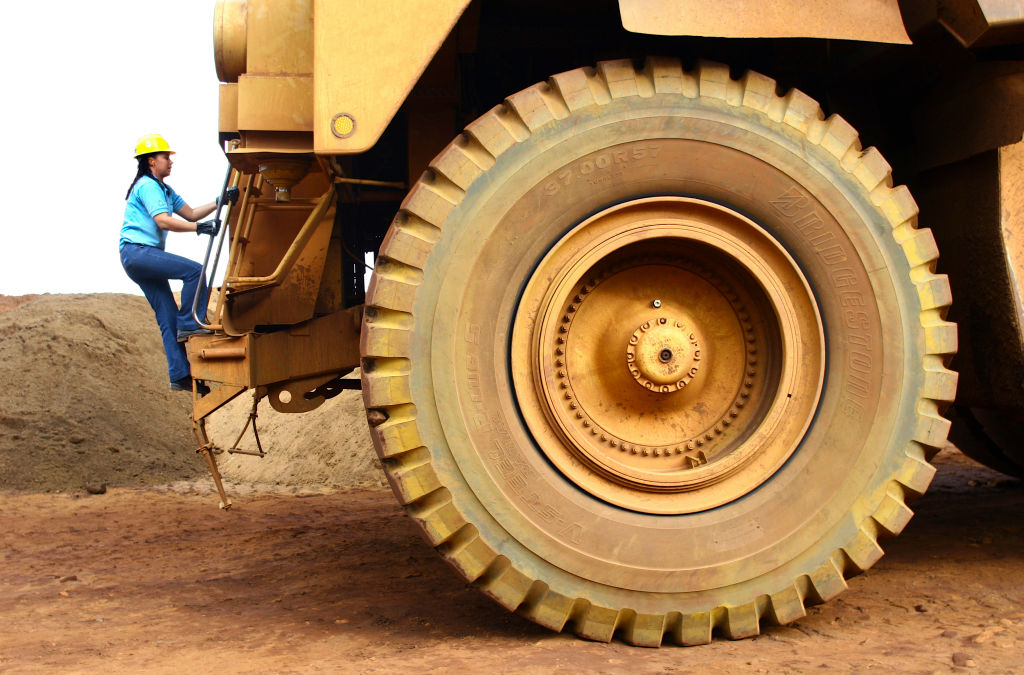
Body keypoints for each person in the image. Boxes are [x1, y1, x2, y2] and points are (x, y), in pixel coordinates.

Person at [120, 133, 222, 393]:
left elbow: (190, 213)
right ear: (152, 161)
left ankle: (179, 375)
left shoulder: (164, 190)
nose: (170, 161)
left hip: (139, 257)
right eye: (166, 157)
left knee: (166, 316)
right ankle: (189, 323)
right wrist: (199, 228)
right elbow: (164, 221)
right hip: (138, 252)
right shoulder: (147, 185)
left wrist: (221, 201)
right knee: (194, 271)